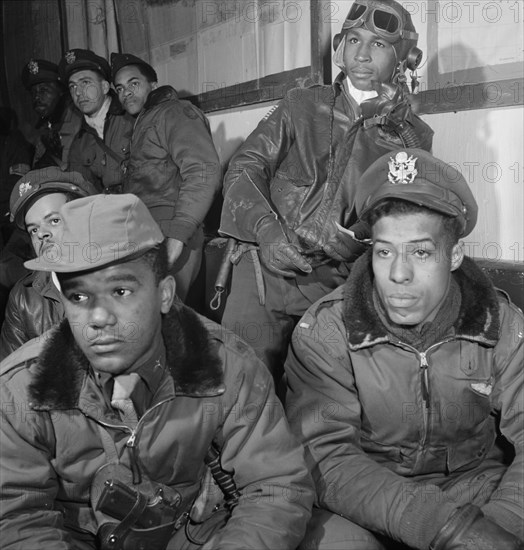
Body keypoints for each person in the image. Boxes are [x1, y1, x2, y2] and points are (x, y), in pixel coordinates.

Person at [0, 193, 314, 549]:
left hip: (191, 533)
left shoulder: (225, 364)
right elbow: (17, 518)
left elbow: (275, 485)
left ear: (164, 294)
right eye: (79, 297)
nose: (98, 318)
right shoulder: (21, 388)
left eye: (120, 290)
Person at [284, 148, 524, 549]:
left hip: (478, 493)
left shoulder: (501, 324)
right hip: (365, 501)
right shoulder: (326, 329)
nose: (397, 274)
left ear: (454, 256)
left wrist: (498, 527)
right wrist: (443, 529)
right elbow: (325, 455)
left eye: (420, 251)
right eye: (384, 251)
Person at [218, 0, 434, 382]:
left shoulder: (412, 138)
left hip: (336, 283)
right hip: (263, 271)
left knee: (318, 398)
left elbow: (405, 216)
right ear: (340, 47)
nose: (362, 54)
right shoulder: (301, 105)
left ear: (404, 58)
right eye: (353, 40)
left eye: (379, 44)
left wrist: (362, 237)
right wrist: (266, 231)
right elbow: (244, 168)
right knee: (240, 386)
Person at [111, 52, 222, 303]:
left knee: (167, 315)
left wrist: (177, 236)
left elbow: (204, 171)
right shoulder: (142, 122)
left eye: (134, 84)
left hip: (172, 232)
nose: (126, 92)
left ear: (153, 85)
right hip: (145, 235)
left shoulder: (174, 112)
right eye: (120, 88)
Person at [0, 168, 97, 360]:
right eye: (33, 229)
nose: (41, 234)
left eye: (53, 220)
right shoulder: (24, 299)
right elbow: (9, 379)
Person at [59, 48, 134, 193]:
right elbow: (83, 192)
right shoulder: (80, 143)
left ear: (105, 86)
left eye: (85, 83)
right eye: (72, 86)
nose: (78, 93)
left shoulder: (131, 116)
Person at [21, 58, 82, 169]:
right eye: (33, 92)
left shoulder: (76, 118)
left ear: (61, 91)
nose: (36, 97)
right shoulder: (45, 126)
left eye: (43, 90)